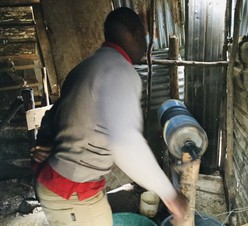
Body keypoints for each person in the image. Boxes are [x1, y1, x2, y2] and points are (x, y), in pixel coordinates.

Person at [31, 7, 186, 226]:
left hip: (57, 183)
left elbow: (52, 116)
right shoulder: (120, 71)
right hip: (71, 193)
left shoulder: (86, 67)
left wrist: (45, 143)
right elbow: (125, 144)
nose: (146, 45)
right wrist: (170, 195)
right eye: (145, 37)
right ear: (135, 34)